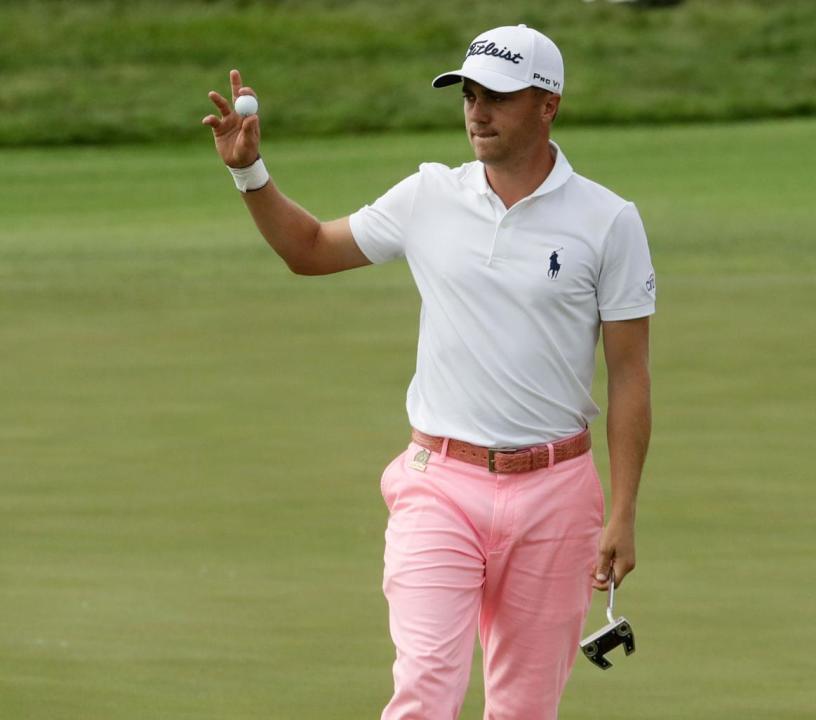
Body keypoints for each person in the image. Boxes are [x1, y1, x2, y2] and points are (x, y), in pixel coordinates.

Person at [202, 23, 655, 720]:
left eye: (499, 97)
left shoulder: (608, 221)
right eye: (470, 94)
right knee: (423, 697)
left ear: (548, 105)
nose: (478, 111)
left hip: (558, 494)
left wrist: (622, 510)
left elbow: (629, 376)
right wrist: (249, 173)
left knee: (525, 710)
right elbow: (311, 249)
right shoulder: (429, 196)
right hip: (438, 484)